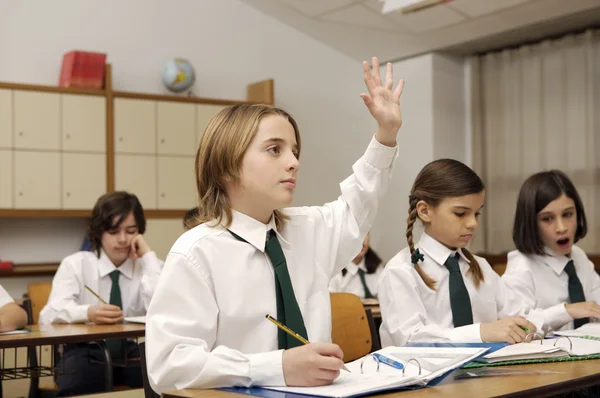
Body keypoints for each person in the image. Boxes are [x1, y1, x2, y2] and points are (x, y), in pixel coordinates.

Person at [145, 57, 405, 392]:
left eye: (294, 151)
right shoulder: (196, 253)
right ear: (226, 166)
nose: (294, 162)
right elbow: (169, 364)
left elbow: (360, 202)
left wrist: (386, 134)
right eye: (274, 150)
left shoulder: (308, 229)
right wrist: (273, 367)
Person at [379, 159, 539, 347]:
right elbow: (409, 340)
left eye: (476, 213)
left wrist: (527, 326)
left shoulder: (480, 267)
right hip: (425, 374)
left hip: (489, 372)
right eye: (461, 213)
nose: (473, 223)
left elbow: (518, 313)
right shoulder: (400, 271)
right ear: (425, 211)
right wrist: (481, 332)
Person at [39, 191, 164, 396]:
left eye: (131, 231)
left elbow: (165, 309)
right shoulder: (76, 264)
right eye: (114, 232)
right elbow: (48, 315)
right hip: (83, 352)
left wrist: (148, 256)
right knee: (83, 382)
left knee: (161, 381)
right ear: (98, 232)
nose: (123, 239)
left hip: (129, 351)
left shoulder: (150, 267)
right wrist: (87, 313)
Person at [503, 170, 600, 334]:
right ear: (530, 223)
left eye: (568, 214)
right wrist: (566, 312)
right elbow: (519, 326)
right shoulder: (521, 267)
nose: (562, 227)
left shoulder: (578, 256)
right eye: (548, 218)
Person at [329, 233, 383, 299]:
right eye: (356, 233)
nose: (362, 239)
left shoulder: (377, 266)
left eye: (365, 233)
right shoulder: (334, 269)